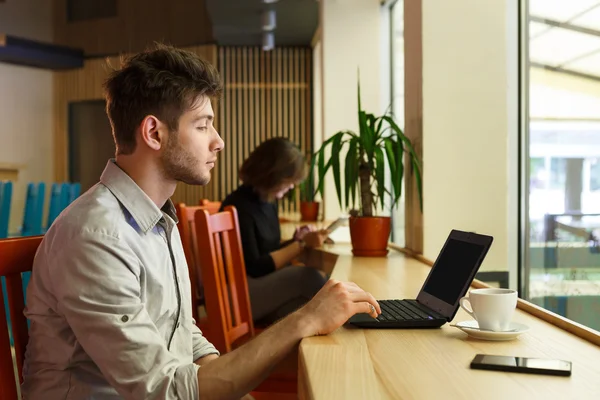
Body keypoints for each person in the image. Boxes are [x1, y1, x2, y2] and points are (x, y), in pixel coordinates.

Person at [21, 44, 380, 400]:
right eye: (203, 125)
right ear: (154, 133)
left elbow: (181, 330)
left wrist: (223, 377)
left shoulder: (159, 217)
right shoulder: (95, 237)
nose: (219, 141)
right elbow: (163, 392)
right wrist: (306, 319)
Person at [221, 138, 330, 325]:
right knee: (309, 277)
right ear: (272, 174)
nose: (293, 185)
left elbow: (268, 251)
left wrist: (296, 241)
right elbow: (256, 266)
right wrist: (301, 245)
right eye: (290, 180)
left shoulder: (267, 202)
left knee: (305, 310)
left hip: (257, 289)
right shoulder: (238, 206)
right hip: (241, 296)